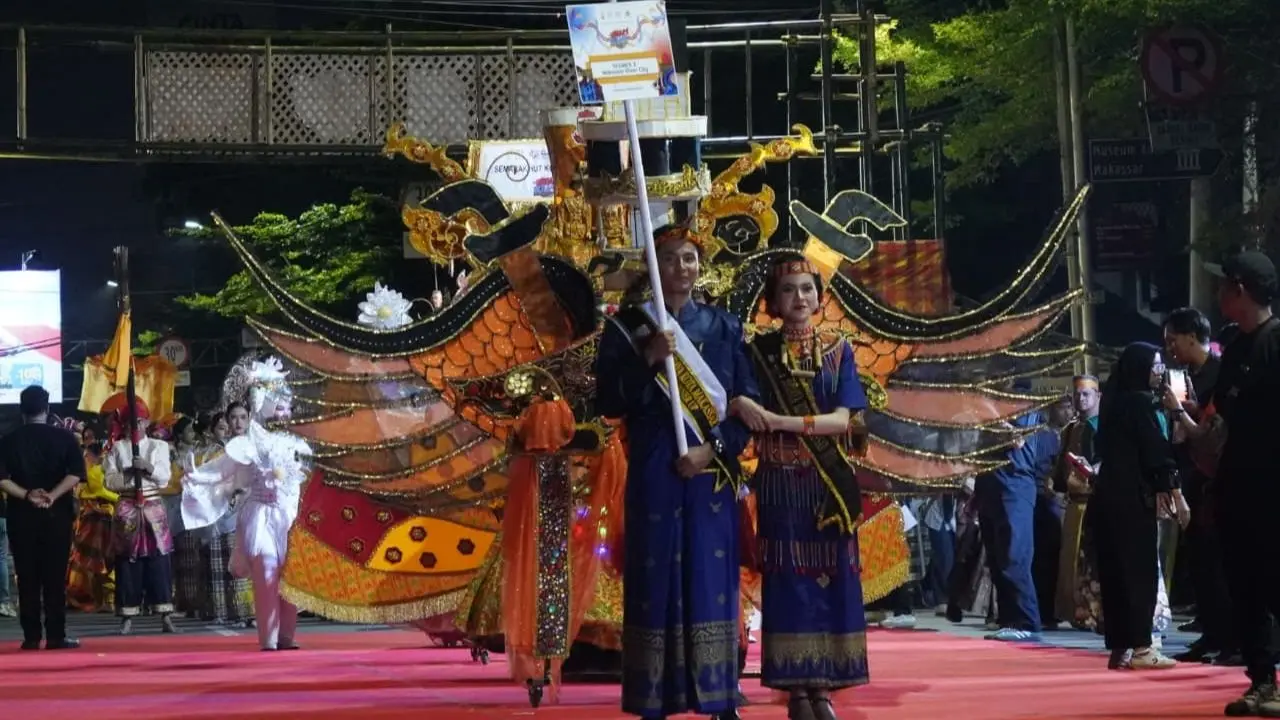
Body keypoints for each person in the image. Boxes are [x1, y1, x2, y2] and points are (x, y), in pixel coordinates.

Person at [595, 223, 758, 720]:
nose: (680, 268)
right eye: (669, 258)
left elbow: (746, 406)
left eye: (688, 258)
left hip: (708, 473)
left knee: (712, 576)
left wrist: (712, 451)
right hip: (653, 466)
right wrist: (649, 357)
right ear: (652, 265)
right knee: (656, 573)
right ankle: (654, 697)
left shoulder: (724, 326)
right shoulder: (628, 327)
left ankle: (716, 694)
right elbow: (606, 400)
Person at [730, 256, 869, 720]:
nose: (799, 298)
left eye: (807, 288)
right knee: (788, 585)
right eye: (788, 290)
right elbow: (741, 404)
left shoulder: (838, 350)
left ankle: (824, 686)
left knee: (832, 582)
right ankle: (796, 690)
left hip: (827, 484)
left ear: (819, 296)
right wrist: (756, 415)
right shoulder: (757, 353)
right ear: (774, 301)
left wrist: (779, 422)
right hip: (779, 486)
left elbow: (842, 421)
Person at [1197, 251, 1280, 716]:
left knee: (1273, 583)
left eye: (1225, 285)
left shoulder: (1276, 344)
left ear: (1242, 290)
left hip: (1272, 488)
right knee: (1244, 587)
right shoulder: (1235, 347)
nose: (1219, 293)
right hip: (1237, 488)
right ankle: (1262, 681)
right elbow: (1219, 421)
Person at [182, 356, 312, 651]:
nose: (279, 409)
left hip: (290, 517)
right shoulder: (246, 442)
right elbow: (221, 470)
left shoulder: (296, 443)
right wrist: (196, 476)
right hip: (260, 516)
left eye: (282, 402)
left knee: (290, 576)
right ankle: (268, 639)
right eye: (270, 399)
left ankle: (287, 636)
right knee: (267, 568)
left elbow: (309, 479)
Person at [1091, 343, 1187, 670]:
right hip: (1133, 499)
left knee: (1115, 573)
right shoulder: (1139, 403)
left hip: (1106, 498)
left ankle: (1120, 649)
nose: (1159, 371)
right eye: (1156, 365)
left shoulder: (1111, 404)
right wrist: (1173, 491)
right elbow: (1154, 452)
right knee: (1139, 572)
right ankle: (1144, 647)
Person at [0, 385, 86, 649]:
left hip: (20, 516)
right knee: (54, 575)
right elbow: (75, 474)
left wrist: (27, 495)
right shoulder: (65, 439)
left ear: (21, 410)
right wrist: (52, 494)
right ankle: (57, 635)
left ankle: (31, 637)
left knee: (26, 577)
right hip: (56, 515)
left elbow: (2, 479)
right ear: (47, 409)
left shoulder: (8, 440)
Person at [976, 409, 1058, 642]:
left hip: (1015, 487)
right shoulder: (989, 406)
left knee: (1015, 557)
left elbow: (1018, 440)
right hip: (990, 486)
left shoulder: (1025, 409)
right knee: (997, 559)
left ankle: (1028, 622)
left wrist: (992, 417)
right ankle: (1008, 619)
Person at [103, 396, 179, 635]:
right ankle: (127, 615)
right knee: (127, 562)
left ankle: (165, 614)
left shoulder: (159, 447)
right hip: (127, 507)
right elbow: (109, 481)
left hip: (153, 507)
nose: (135, 426)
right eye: (130, 422)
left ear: (147, 423)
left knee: (159, 559)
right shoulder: (116, 448)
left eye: (140, 422)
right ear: (124, 425)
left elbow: (165, 477)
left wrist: (146, 467)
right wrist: (129, 474)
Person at [1052, 376, 1102, 630]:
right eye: (1077, 395)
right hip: (1073, 502)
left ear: (1097, 397)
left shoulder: (1103, 425)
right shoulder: (1071, 428)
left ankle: (1094, 613)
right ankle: (1076, 612)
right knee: (1071, 561)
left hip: (1094, 501)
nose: (1081, 399)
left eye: (1086, 394)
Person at [201, 406, 253, 626]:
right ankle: (233, 612)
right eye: (233, 418)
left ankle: (253, 612)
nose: (238, 422)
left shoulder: (256, 444)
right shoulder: (217, 451)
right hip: (227, 511)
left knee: (255, 562)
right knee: (228, 563)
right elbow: (209, 478)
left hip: (255, 508)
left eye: (243, 417)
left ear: (250, 419)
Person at [66, 441, 118, 612]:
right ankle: (104, 599)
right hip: (96, 516)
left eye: (87, 455)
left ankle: (105, 598)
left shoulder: (95, 471)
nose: (85, 458)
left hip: (97, 518)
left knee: (97, 557)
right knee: (99, 557)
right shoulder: (99, 471)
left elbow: (99, 492)